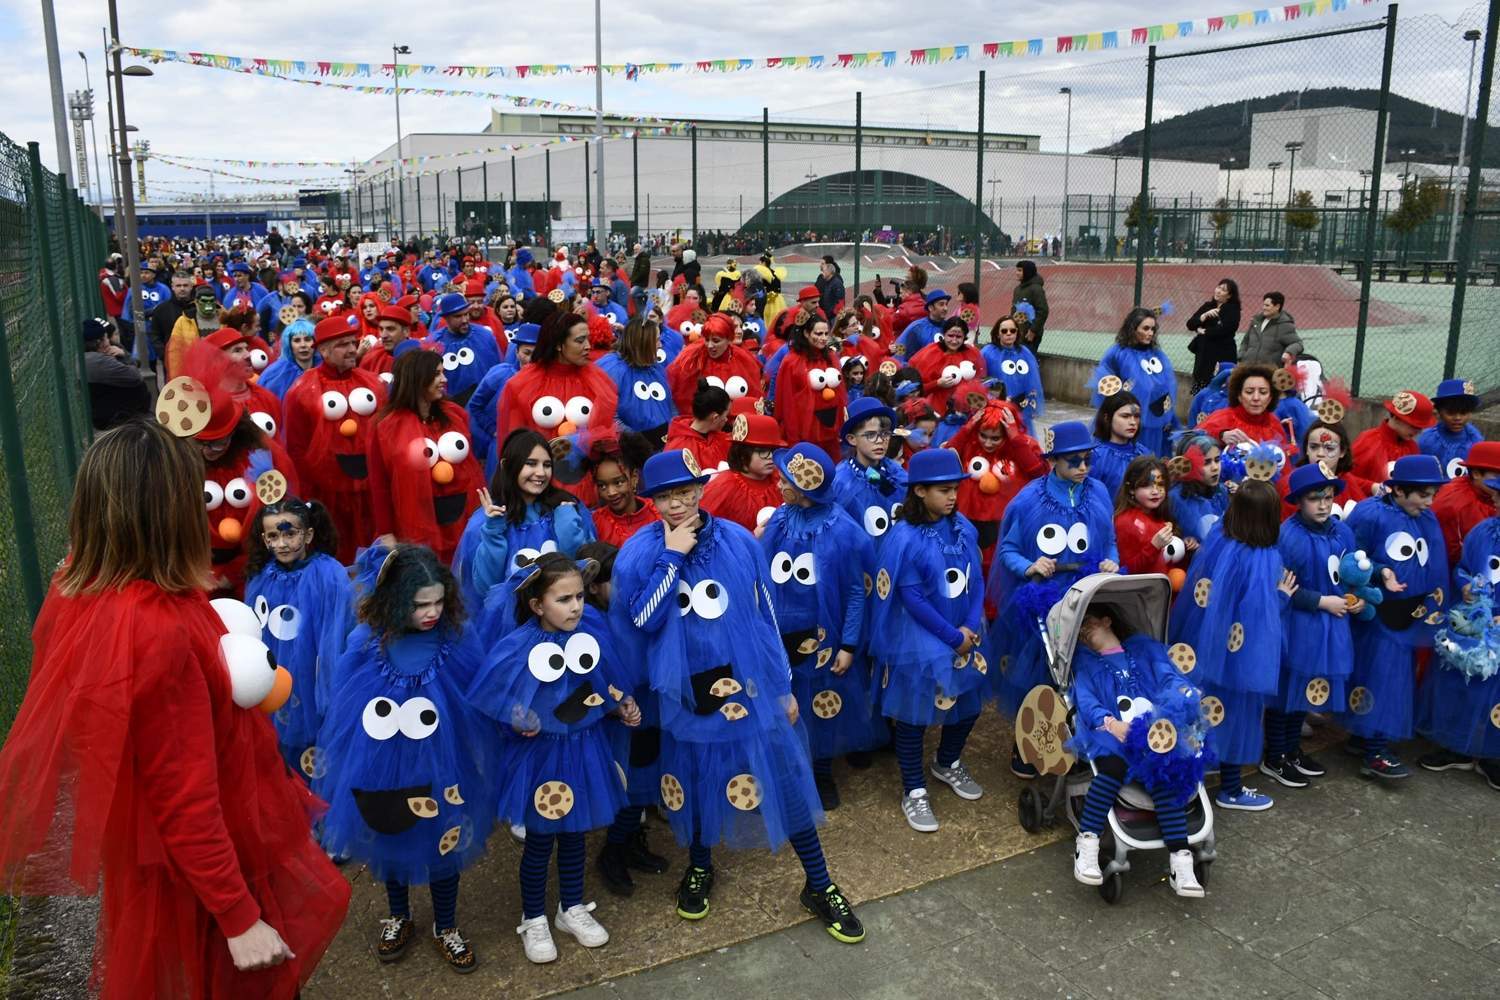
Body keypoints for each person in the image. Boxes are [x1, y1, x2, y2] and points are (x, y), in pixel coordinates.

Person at [0, 420, 349, 998]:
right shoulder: (158, 629)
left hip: (160, 856)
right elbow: (182, 791)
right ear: (170, 515)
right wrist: (238, 916)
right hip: (207, 862)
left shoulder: (80, 589)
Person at [610, 450, 865, 942]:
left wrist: (783, 686)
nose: (678, 503)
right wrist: (672, 556)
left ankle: (819, 882)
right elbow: (641, 622)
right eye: (665, 496)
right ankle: (702, 866)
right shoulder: (639, 553)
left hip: (749, 687)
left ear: (702, 489)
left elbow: (766, 614)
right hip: (688, 695)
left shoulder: (739, 542)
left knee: (786, 780)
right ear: (653, 501)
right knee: (700, 782)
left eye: (686, 491)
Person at [316, 544, 495, 971]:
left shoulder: (455, 636)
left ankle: (445, 924)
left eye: (437, 601)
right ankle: (399, 915)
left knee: (444, 838)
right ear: (397, 602)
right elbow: (346, 704)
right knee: (391, 832)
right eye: (420, 605)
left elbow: (478, 692)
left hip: (440, 759)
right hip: (383, 760)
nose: (431, 612)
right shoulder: (368, 641)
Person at [467, 554, 640, 963]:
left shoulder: (590, 634)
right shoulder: (518, 647)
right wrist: (516, 721)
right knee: (541, 841)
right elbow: (496, 701)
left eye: (579, 596)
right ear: (536, 605)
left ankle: (571, 907)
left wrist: (622, 706)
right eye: (563, 599)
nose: (576, 606)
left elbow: (604, 684)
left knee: (576, 834)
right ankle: (533, 917)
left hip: (584, 750)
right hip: (539, 758)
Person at [986, 420, 1120, 779]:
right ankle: (1027, 743)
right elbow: (1008, 550)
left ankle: (1082, 737)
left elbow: (1109, 539)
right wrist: (1032, 565)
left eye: (1087, 460)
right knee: (1040, 673)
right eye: (1074, 461)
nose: (1083, 468)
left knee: (1084, 671)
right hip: (1044, 601)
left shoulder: (1100, 492)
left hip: (1089, 594)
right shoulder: (1029, 499)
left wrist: (1112, 561)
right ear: (1054, 462)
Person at [868, 449, 987, 833]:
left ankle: (947, 761)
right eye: (943, 491)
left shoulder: (963, 527)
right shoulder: (904, 537)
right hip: (919, 639)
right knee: (913, 716)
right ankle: (913, 789)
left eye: (955, 489)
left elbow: (976, 579)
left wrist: (969, 624)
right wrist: (952, 636)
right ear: (919, 491)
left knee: (968, 705)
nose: (952, 498)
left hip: (962, 632)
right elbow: (912, 596)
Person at [759, 444, 879, 810]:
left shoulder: (842, 530)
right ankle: (793, 765)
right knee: (789, 699)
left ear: (805, 490)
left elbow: (857, 591)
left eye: (785, 481)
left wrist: (848, 644)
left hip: (823, 636)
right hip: (783, 633)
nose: (778, 485)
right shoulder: (780, 520)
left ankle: (822, 770)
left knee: (824, 705)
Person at [1169, 476, 1294, 811]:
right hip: (1241, 656)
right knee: (1237, 715)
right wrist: (1282, 597)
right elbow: (1259, 614)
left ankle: (1185, 785)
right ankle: (1232, 788)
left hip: (1205, 646)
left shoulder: (1220, 540)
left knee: (1204, 712)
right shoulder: (1261, 557)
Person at [1068, 604, 1207, 898]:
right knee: (1112, 768)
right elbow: (1086, 698)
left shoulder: (1143, 651)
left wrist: (1185, 693)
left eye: (1089, 623)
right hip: (1112, 732)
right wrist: (1108, 722)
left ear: (1108, 620)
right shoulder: (1086, 663)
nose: (1083, 632)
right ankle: (1087, 843)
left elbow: (1168, 677)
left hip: (1151, 732)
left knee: (1165, 775)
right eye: (1078, 630)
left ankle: (1180, 860)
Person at [1339, 455, 1450, 779]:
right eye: (1422, 494)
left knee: (1390, 676)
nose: (1429, 502)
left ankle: (1365, 738)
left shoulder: (1424, 517)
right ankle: (1376, 752)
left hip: (1409, 614)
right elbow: (1349, 558)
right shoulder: (1371, 514)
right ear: (1398, 490)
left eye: (1433, 494)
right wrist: (1379, 571)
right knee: (1382, 679)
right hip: (1379, 615)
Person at [1262, 462, 1358, 789]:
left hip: (1328, 627)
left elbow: (1349, 571)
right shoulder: (1290, 537)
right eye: (1315, 498)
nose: (1323, 505)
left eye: (1328, 497)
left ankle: (1292, 749)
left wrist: (1355, 594)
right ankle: (1275, 755)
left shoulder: (1340, 531)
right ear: (1299, 501)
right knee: (1287, 694)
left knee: (1302, 697)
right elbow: (1285, 586)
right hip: (1299, 625)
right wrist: (1321, 601)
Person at [244, 495, 353, 774]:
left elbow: (336, 634)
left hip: (311, 671)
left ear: (308, 535)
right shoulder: (261, 576)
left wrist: (328, 692)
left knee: (311, 748)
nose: (281, 544)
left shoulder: (329, 575)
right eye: (272, 536)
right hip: (273, 672)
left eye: (290, 534)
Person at [455, 428, 597, 611]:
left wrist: (566, 523)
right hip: (512, 623)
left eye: (547, 465)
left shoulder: (567, 507)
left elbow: (583, 569)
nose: (541, 473)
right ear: (507, 466)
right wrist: (493, 532)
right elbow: (485, 589)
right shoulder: (487, 519)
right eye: (531, 463)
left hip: (565, 615)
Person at [283, 316, 388, 563]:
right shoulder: (302, 390)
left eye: (353, 342)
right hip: (327, 497)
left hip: (368, 494)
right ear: (324, 350)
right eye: (343, 345)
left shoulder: (372, 383)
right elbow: (296, 450)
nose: (353, 349)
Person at [367, 350, 484, 564]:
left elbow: (470, 466)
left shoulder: (454, 415)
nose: (444, 380)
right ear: (418, 378)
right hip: (416, 521)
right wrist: (386, 532)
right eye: (437, 374)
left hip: (459, 515)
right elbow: (379, 483)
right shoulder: (385, 426)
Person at [1415, 505, 1500, 785]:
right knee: (1460, 684)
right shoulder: (1483, 531)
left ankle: (1492, 755)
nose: (1496, 503)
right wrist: (1463, 584)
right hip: (1471, 620)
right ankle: (1456, 747)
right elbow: (1463, 567)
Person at [945, 397, 1047, 571]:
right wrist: (968, 428)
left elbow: (1039, 473)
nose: (988, 443)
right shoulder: (970, 445)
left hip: (1005, 528)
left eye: (995, 438)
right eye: (983, 435)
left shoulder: (1023, 445)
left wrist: (1015, 438)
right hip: (967, 525)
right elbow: (946, 457)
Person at [497, 310, 619, 445]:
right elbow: (515, 439)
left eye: (588, 339)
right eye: (580, 341)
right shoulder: (523, 384)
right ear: (558, 345)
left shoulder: (597, 380)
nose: (588, 347)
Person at [1091, 308, 1178, 455]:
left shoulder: (1158, 355)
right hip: (1128, 420)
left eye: (1153, 329)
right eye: (1145, 328)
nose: (1150, 333)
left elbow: (1167, 386)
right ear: (1133, 328)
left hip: (1154, 421)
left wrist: (1166, 416)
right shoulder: (1118, 353)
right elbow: (1105, 383)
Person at [700, 413, 785, 533]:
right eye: (762, 451)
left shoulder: (781, 481)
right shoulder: (724, 486)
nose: (770, 456)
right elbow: (702, 527)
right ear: (742, 453)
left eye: (773, 450)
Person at [775, 315, 848, 455]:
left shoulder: (831, 357)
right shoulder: (792, 361)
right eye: (818, 333)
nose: (824, 338)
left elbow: (840, 393)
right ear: (806, 333)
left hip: (830, 427)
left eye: (826, 333)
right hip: (805, 430)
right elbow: (786, 401)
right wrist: (793, 439)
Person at [596, 316, 676, 442]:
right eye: (656, 341)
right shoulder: (613, 370)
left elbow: (670, 405)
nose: (660, 346)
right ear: (642, 344)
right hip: (632, 448)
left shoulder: (656, 368)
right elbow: (608, 417)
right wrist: (638, 442)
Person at [666, 313, 763, 414]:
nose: (710, 345)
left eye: (716, 341)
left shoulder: (743, 361)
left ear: (729, 340)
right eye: (707, 340)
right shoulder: (694, 359)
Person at [1199, 363, 1295, 459]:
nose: (1256, 398)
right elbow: (1194, 440)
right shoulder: (1222, 417)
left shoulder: (1274, 424)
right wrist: (1221, 435)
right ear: (1239, 396)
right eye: (1249, 392)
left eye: (1263, 392)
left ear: (1270, 397)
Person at [1113, 456, 1188, 576]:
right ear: (1132, 489)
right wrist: (1154, 546)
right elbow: (1126, 571)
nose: (1155, 491)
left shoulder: (1158, 514)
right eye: (1147, 485)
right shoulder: (1125, 522)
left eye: (1160, 485)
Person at [427, 292, 501, 407]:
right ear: (446, 318)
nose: (465, 320)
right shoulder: (434, 343)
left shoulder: (485, 335)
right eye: (458, 316)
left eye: (466, 314)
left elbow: (497, 370)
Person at [1432, 441, 1500, 564]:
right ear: (1476, 474)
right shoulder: (1457, 503)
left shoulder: (1488, 493)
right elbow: (1454, 554)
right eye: (1497, 476)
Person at [1350, 389, 1436, 484]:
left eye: (1421, 428)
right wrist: (1372, 487)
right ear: (1396, 417)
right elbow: (1349, 479)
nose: (1418, 432)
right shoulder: (1368, 441)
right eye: (1414, 426)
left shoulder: (1412, 447)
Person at [588, 434, 659, 547]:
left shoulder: (659, 514)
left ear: (634, 477)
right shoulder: (594, 523)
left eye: (618, 482)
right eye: (602, 486)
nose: (611, 492)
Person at [981, 312, 1045, 434]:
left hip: (1021, 407)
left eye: (1012, 330)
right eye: (1004, 331)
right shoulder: (988, 352)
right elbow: (981, 380)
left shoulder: (1024, 352)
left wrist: (1031, 404)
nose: (1009, 333)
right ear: (997, 334)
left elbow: (1033, 380)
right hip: (997, 407)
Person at [81, 317, 150, 429]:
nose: (109, 341)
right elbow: (135, 376)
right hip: (119, 420)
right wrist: (124, 358)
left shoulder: (94, 358)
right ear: (100, 342)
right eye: (106, 338)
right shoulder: (99, 362)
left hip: (120, 416)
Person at [1090, 388, 1152, 502]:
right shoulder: (1096, 456)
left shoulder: (1144, 454)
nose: (1133, 422)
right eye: (1125, 416)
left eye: (1137, 416)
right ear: (1107, 418)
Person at [1169, 434, 1232, 544]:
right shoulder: (1176, 498)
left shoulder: (1221, 491)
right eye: (1206, 462)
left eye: (1217, 460)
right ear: (1188, 465)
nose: (1215, 467)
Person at [1418, 378, 1484, 480]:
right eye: (1450, 413)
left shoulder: (1475, 440)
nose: (1458, 418)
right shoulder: (1428, 441)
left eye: (1463, 413)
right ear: (1438, 412)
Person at [1185, 278, 1242, 392]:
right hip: (1204, 355)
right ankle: (1199, 408)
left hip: (1222, 354)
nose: (1219, 291)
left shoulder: (1232, 309)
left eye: (1223, 290)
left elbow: (1226, 329)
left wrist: (1205, 331)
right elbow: (1190, 324)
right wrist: (1204, 316)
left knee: (1219, 386)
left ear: (1229, 295)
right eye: (1218, 287)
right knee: (1200, 388)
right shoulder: (1208, 306)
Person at [166, 283, 224, 379]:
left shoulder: (225, 318)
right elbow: (175, 353)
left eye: (211, 301)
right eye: (204, 301)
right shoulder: (184, 321)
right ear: (196, 302)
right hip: (194, 374)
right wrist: (177, 379)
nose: (208, 304)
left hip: (221, 374)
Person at [259, 318, 320, 400]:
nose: (303, 345)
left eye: (307, 339)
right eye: (297, 340)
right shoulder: (276, 374)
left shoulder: (325, 366)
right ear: (289, 345)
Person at [1238, 291, 1302, 366]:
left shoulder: (1285, 326)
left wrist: (1288, 352)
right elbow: (1245, 341)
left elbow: (1298, 343)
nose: (1263, 308)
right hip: (1248, 366)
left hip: (1268, 370)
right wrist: (1241, 356)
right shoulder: (1256, 322)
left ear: (1277, 306)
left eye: (1267, 305)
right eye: (1264, 305)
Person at [894, 289, 951, 359]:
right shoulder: (917, 328)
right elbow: (901, 352)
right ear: (930, 307)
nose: (945, 308)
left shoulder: (950, 326)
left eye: (946, 304)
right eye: (941, 304)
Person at [1010, 260, 1049, 350]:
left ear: (1027, 272)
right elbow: (1014, 309)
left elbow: (1043, 311)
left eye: (1020, 270)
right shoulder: (1018, 289)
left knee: (1029, 357)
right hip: (1018, 331)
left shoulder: (1036, 289)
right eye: (1017, 270)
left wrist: (1033, 330)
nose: (1017, 273)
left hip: (1030, 334)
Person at [815, 255, 845, 320]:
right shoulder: (822, 277)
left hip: (831, 314)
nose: (820, 265)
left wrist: (833, 313)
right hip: (824, 312)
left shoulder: (836, 280)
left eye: (823, 264)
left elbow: (840, 300)